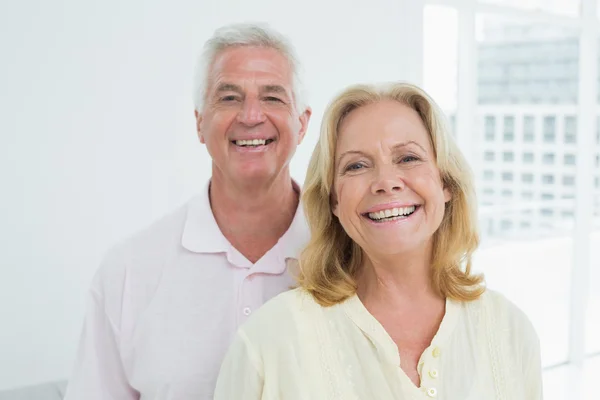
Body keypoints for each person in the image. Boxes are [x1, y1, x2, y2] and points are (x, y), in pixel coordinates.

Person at [214, 82, 543, 399]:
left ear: (446, 183)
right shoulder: (268, 342)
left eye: (408, 158)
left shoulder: (509, 331)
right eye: (356, 165)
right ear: (334, 202)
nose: (386, 182)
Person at [64, 23, 311, 399]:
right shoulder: (130, 270)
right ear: (199, 123)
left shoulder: (352, 253)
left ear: (302, 123)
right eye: (229, 98)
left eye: (273, 97)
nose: (250, 115)